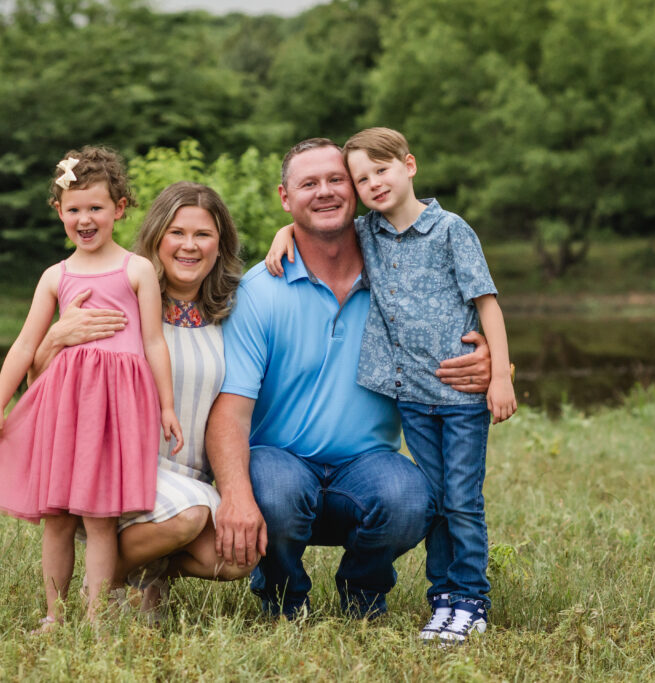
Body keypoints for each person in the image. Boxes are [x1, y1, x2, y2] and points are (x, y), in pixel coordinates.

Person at [206, 138, 494, 622]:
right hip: (280, 465)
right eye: (308, 184)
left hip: (365, 467)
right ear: (285, 197)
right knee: (273, 488)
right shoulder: (259, 290)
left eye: (336, 180)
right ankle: (282, 597)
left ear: (357, 190)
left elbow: (464, 312)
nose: (324, 192)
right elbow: (229, 411)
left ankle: (362, 594)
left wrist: (489, 359)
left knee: (409, 497)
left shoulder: (394, 274)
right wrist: (234, 494)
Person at [0, 146, 183, 630]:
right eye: (74, 209)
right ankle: (54, 615)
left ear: (120, 209)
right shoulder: (56, 276)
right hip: (62, 407)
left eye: (96, 208)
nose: (84, 219)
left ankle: (94, 617)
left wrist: (167, 405)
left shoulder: (137, 270)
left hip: (114, 410)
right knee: (58, 518)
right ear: (58, 212)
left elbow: (153, 340)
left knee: (99, 517)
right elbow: (26, 345)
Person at [30, 181, 256, 621]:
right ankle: (100, 587)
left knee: (235, 558)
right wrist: (54, 338)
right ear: (156, 237)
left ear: (220, 244)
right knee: (188, 517)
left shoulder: (234, 311)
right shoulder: (121, 299)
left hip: (192, 476)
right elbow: (44, 386)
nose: (189, 246)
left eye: (203, 235)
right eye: (177, 233)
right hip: (123, 471)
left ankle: (150, 571)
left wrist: (287, 233)